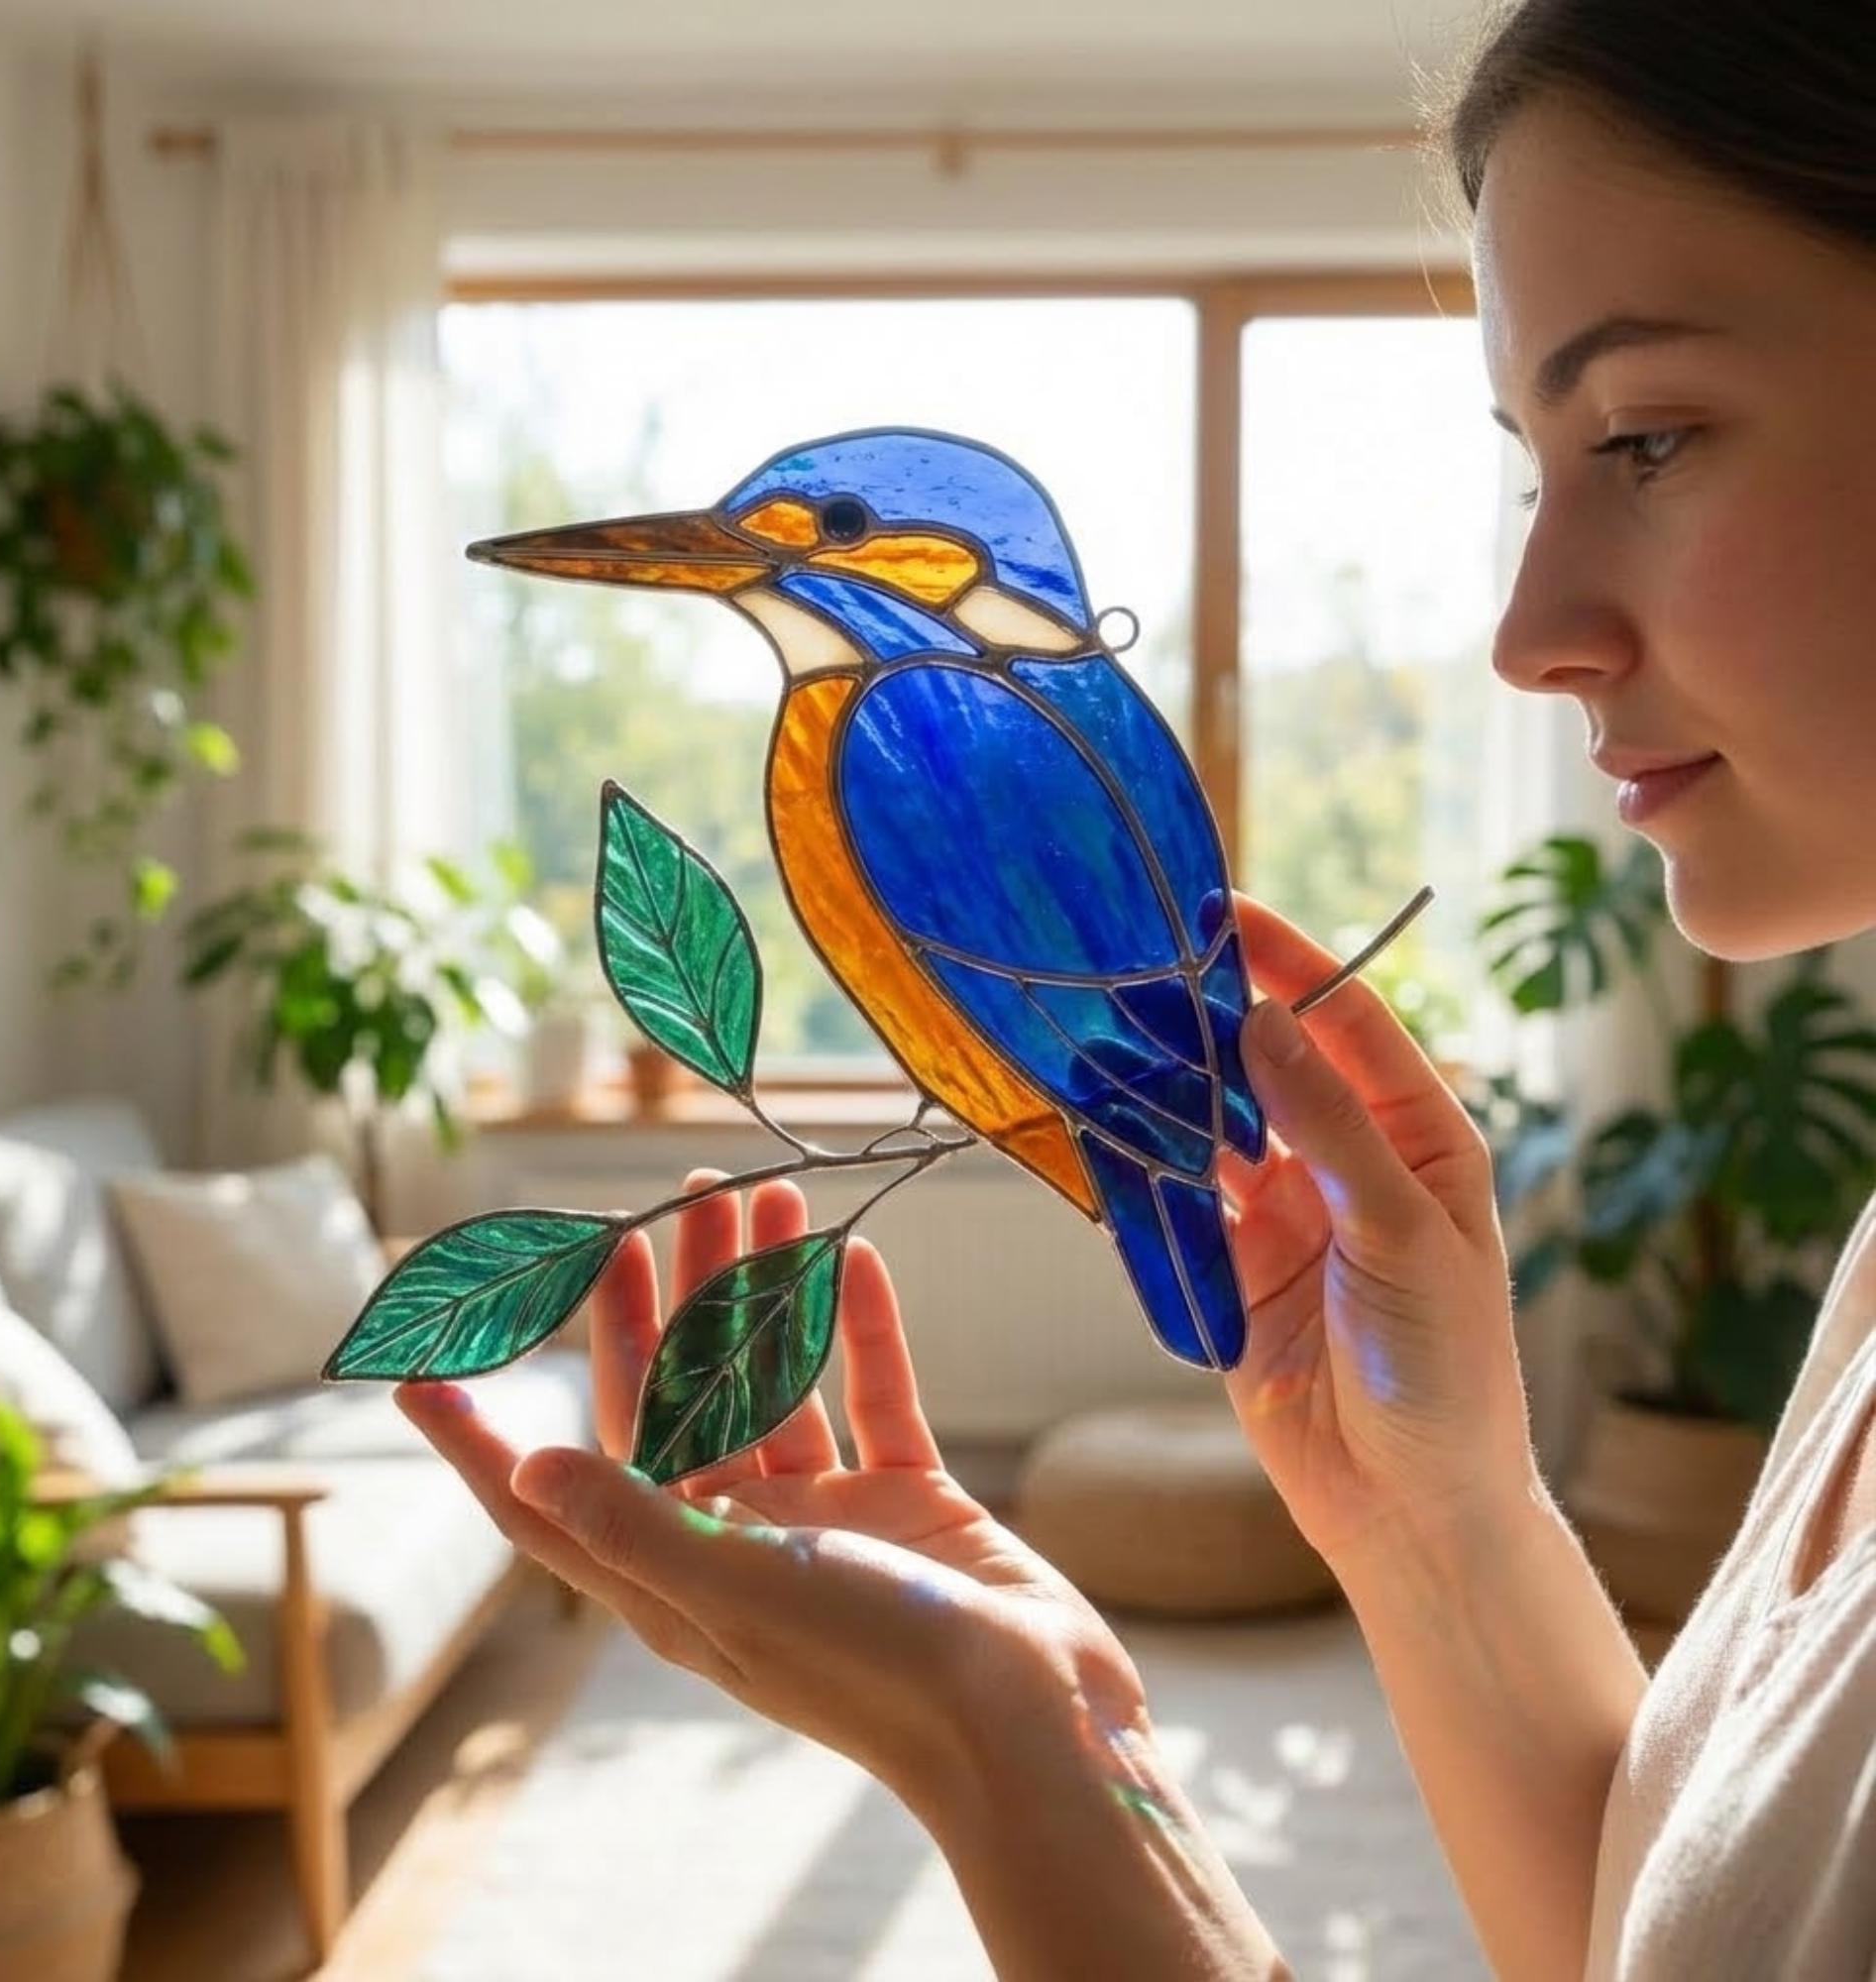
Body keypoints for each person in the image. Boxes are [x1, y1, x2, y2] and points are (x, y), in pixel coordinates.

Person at [399, 1, 1876, 1972]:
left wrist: (1002, 1753)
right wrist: (1427, 1515)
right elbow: (1676, 1924)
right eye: (1535, 474)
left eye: (1647, 437)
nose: (1525, 635)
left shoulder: (909, 732)